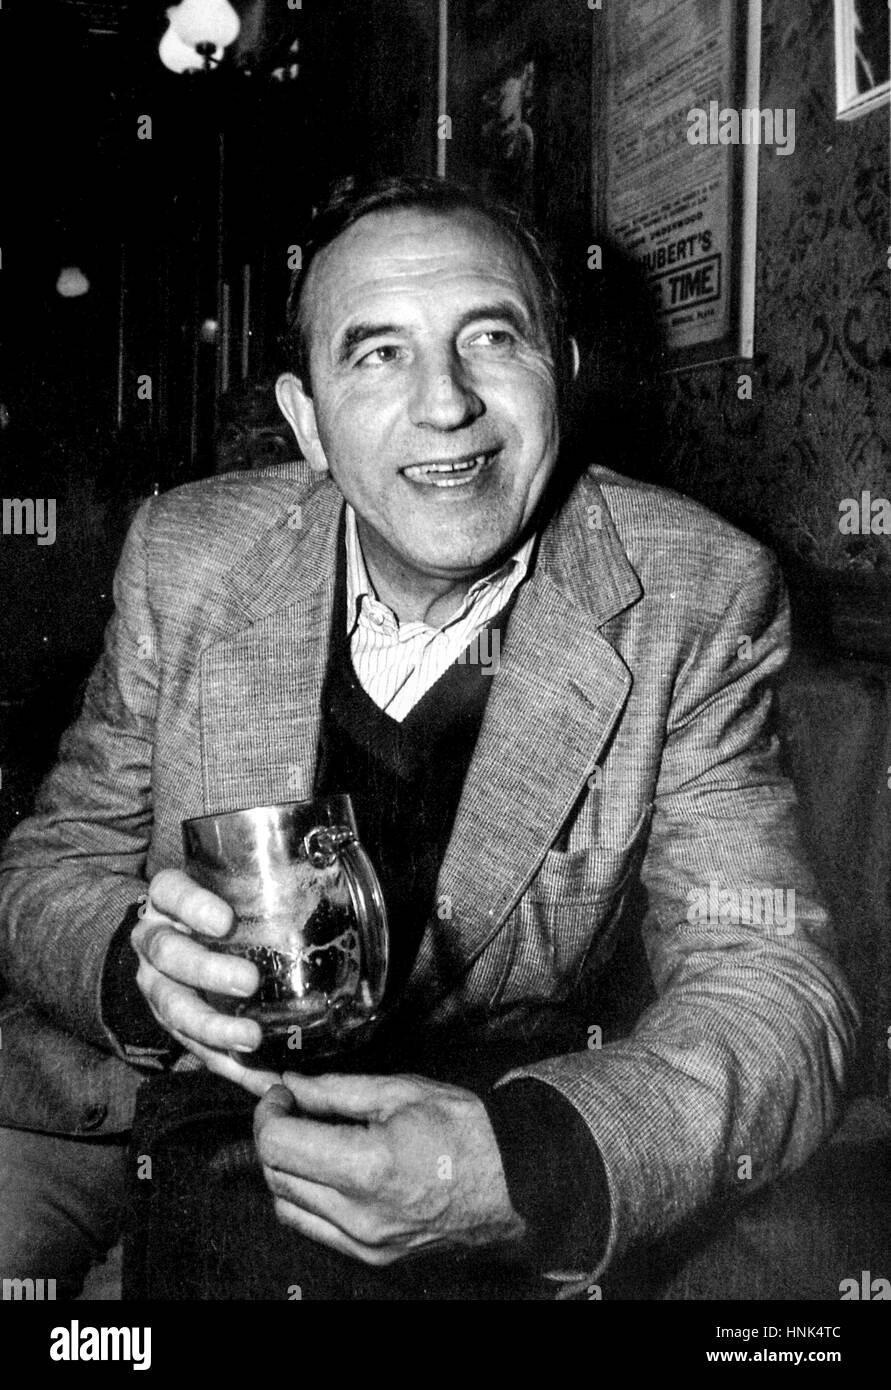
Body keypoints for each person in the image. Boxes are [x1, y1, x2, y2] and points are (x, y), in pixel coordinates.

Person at [0, 175, 858, 1299]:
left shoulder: (695, 592)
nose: (446, 404)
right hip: (138, 1099)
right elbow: (47, 867)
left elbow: (772, 980)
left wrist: (529, 1166)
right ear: (307, 420)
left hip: (472, 1105)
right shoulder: (187, 554)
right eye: (377, 354)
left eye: (491, 337)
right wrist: (139, 977)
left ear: (566, 371)